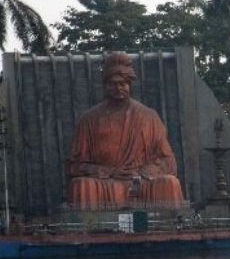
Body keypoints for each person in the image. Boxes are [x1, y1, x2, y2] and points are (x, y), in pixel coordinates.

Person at [66, 52, 185, 209]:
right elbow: (73, 165)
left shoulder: (148, 116)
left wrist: (142, 171)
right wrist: (105, 171)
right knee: (81, 185)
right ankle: (92, 227)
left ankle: (166, 226)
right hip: (106, 182)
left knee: (169, 183)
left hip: (138, 181)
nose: (118, 88)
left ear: (129, 85)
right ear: (105, 86)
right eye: (113, 84)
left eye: (122, 83)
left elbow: (168, 161)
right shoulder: (89, 119)